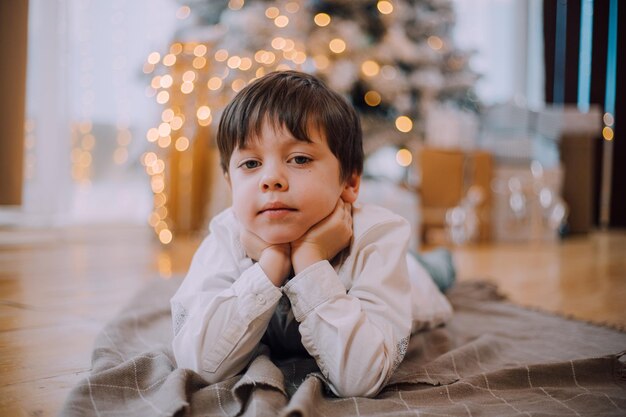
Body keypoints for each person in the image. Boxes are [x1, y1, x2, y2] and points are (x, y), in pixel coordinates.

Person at [170, 70, 453, 398]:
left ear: (349, 182)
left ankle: (439, 262)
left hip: (414, 281)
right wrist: (270, 264)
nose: (271, 179)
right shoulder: (226, 234)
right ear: (230, 182)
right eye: (250, 164)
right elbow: (199, 363)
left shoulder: (379, 236)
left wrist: (310, 260)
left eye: (299, 159)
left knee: (433, 269)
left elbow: (361, 378)